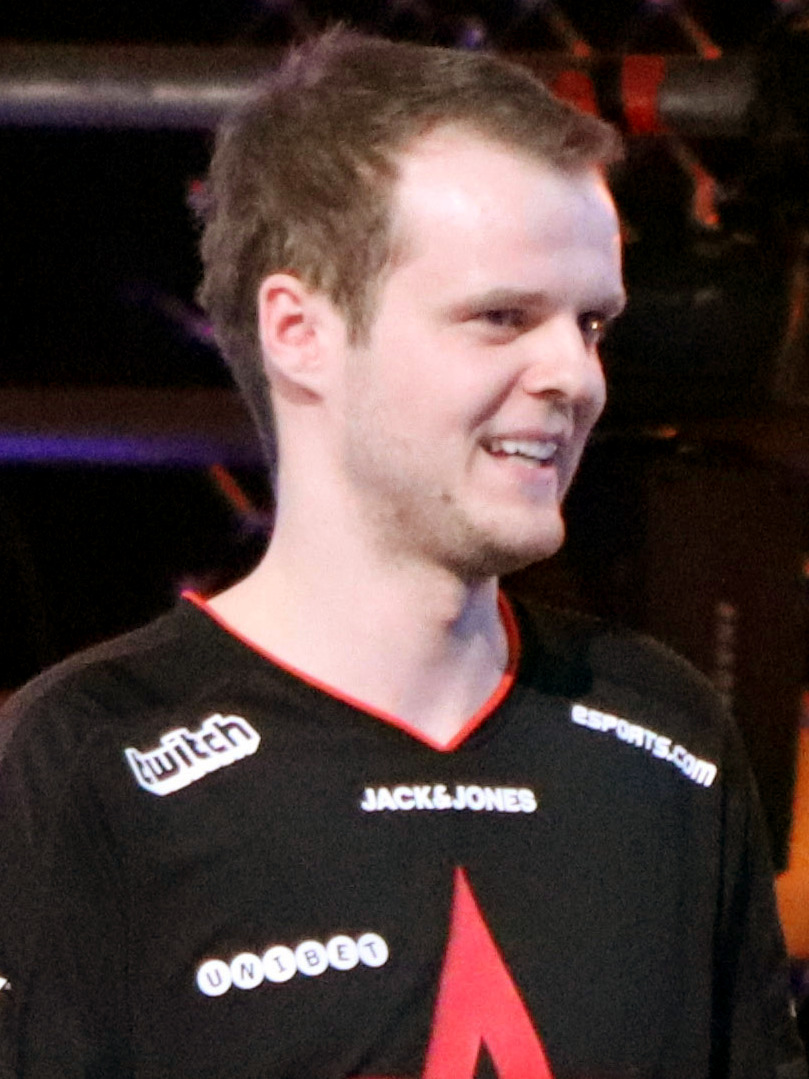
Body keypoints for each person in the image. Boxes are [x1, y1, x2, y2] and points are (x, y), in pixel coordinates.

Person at [0, 28, 804, 1079]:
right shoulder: (87, 755)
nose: (574, 376)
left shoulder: (667, 733)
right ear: (300, 331)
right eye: (501, 316)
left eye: (591, 324)